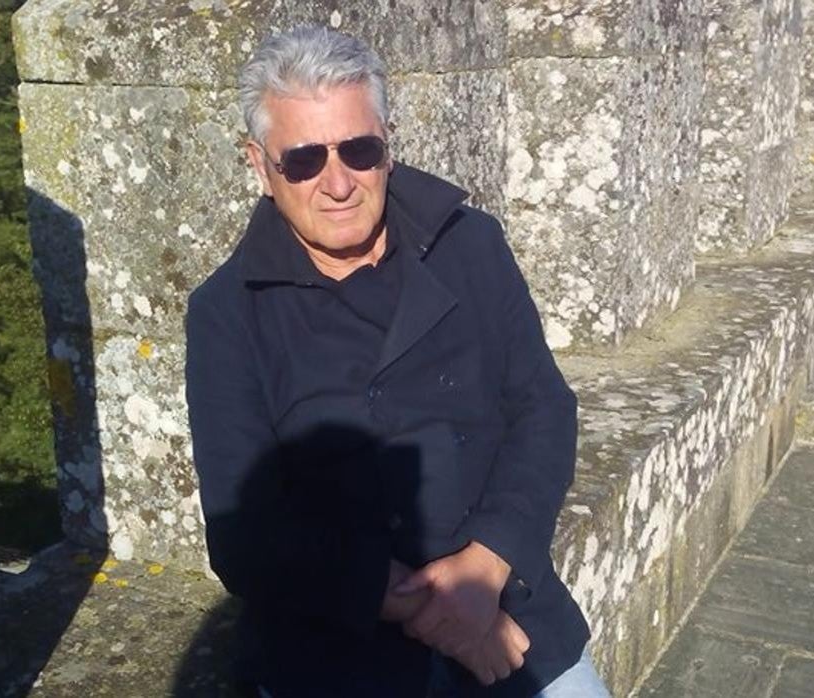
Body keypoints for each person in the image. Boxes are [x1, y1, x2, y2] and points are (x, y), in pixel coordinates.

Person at [184, 25, 608, 698]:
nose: (338, 184)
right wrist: (433, 611)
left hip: (505, 605)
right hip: (339, 644)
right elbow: (245, 535)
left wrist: (486, 567)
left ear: (387, 146)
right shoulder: (227, 313)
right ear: (260, 167)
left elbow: (543, 408)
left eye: (359, 150)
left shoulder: (472, 246)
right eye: (304, 161)